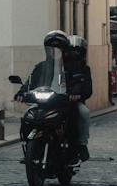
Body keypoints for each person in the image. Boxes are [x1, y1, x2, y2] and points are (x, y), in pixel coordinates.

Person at [26, 30, 93, 160]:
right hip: (47, 99)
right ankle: (29, 145)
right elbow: (32, 80)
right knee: (29, 114)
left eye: (56, 49)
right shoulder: (43, 66)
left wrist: (77, 94)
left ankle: (81, 144)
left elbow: (85, 87)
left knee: (83, 112)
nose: (53, 51)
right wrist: (23, 92)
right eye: (50, 49)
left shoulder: (77, 67)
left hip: (67, 100)